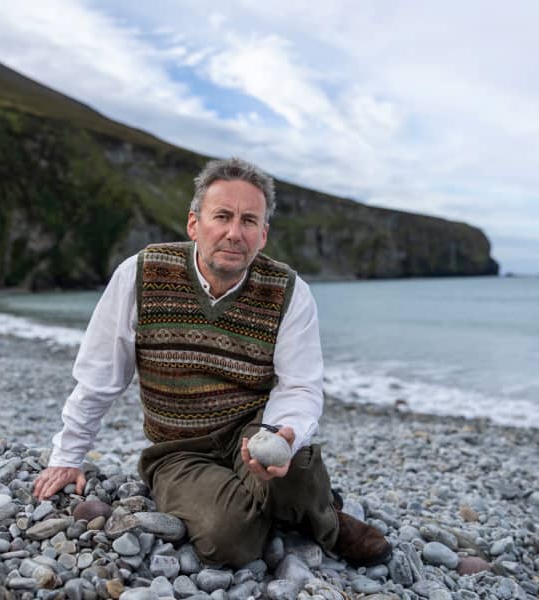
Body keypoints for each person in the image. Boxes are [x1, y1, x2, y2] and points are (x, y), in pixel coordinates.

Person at [33, 157, 391, 567]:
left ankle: (327, 522)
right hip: (178, 449)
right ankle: (300, 506)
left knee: (289, 466)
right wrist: (67, 457)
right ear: (194, 223)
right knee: (228, 540)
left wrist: (280, 437)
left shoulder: (290, 292)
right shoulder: (141, 275)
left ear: (263, 235)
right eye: (222, 216)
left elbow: (300, 386)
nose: (234, 233)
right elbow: (100, 377)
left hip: (254, 428)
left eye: (249, 221)